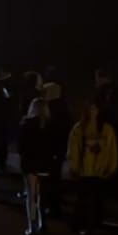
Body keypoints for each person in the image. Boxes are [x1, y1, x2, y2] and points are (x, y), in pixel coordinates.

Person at [67, 100, 118, 235]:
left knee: (97, 200)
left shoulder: (107, 129)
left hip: (100, 171)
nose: (92, 111)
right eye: (89, 109)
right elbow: (74, 149)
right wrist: (74, 167)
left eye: (94, 108)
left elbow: (112, 149)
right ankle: (80, 225)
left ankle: (93, 226)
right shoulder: (79, 128)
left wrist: (111, 167)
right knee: (83, 200)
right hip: (85, 171)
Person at [17, 99, 61, 235]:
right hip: (45, 164)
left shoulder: (26, 124)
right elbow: (56, 146)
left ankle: (32, 226)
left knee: (31, 196)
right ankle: (43, 223)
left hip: (30, 164)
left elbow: (20, 147)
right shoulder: (51, 125)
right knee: (43, 195)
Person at [44, 82, 74, 219]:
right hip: (58, 150)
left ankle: (53, 206)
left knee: (51, 179)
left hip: (52, 149)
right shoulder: (64, 109)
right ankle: (53, 204)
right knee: (54, 177)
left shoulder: (53, 110)